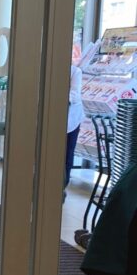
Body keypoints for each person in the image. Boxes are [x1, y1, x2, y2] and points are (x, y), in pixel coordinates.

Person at [65, 62, 83, 194]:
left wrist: (60, 98)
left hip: (72, 121)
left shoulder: (75, 72)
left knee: (67, 152)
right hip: (52, 117)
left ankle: (62, 185)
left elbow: (75, 94)